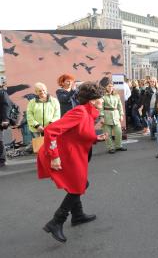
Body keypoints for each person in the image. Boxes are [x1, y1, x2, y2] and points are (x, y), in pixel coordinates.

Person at [37, 82, 108, 243]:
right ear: (92, 100)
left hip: (74, 154)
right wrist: (54, 157)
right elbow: (50, 131)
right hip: (63, 155)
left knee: (79, 184)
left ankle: (77, 215)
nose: (102, 100)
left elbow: (80, 133)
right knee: (79, 186)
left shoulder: (89, 113)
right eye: (100, 98)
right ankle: (56, 221)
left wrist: (96, 138)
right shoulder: (80, 112)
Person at [100, 79, 126, 154]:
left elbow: (120, 106)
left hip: (116, 115)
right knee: (107, 133)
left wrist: (121, 115)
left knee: (119, 132)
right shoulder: (103, 96)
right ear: (106, 87)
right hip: (106, 115)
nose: (110, 88)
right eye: (109, 86)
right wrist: (101, 117)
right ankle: (110, 147)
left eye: (111, 86)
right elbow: (101, 107)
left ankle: (118, 146)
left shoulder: (116, 95)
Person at [0, 77, 11, 168]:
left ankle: (2, 160)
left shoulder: (2, 93)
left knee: (0, 140)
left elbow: (6, 106)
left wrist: (5, 120)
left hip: (1, 120)